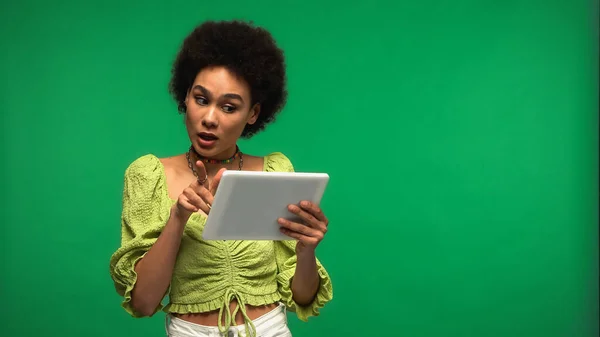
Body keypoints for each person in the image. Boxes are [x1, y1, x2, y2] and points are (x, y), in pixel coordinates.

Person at [108, 20, 333, 337]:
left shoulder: (275, 171)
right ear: (185, 97)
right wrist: (179, 215)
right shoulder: (149, 175)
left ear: (252, 114)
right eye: (201, 99)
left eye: (229, 107)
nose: (210, 118)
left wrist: (307, 249)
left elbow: (302, 297)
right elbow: (144, 302)